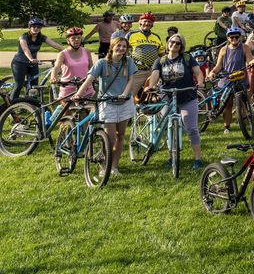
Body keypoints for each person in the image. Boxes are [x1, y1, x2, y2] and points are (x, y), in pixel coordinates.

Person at [75, 35, 140, 177]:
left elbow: (131, 80)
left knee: (120, 135)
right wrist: (79, 94)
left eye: (124, 46)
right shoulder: (102, 63)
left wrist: (124, 94)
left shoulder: (128, 61)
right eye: (119, 46)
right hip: (107, 103)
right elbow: (89, 79)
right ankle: (104, 165)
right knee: (110, 138)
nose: (121, 49)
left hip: (124, 102)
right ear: (112, 47)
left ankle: (114, 166)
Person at [145, 33, 205, 170]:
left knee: (191, 128)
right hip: (167, 97)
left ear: (181, 46)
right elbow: (155, 74)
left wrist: (200, 82)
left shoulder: (187, 58)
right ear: (168, 43)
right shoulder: (160, 60)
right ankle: (171, 156)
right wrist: (152, 86)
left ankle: (198, 158)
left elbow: (198, 72)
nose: (174, 44)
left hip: (187, 96)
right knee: (168, 127)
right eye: (172, 42)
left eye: (178, 43)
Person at [212, 26, 254, 133]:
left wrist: (253, 62)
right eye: (231, 37)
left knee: (243, 102)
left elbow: (249, 59)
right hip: (227, 78)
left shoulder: (244, 47)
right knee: (228, 104)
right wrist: (213, 72)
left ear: (240, 37)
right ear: (228, 38)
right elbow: (219, 65)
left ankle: (244, 123)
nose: (234, 39)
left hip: (240, 78)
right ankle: (227, 127)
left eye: (236, 37)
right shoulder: (224, 50)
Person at [11, 18, 61, 98]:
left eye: (39, 27)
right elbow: (25, 49)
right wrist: (31, 58)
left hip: (33, 63)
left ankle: (32, 103)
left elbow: (55, 45)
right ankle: (11, 103)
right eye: (34, 27)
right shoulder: (23, 37)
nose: (36, 28)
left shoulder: (42, 37)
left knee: (34, 86)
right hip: (20, 63)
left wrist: (67, 51)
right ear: (29, 27)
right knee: (19, 84)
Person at [51, 27, 92, 106]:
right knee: (67, 112)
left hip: (86, 87)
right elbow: (56, 67)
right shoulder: (63, 54)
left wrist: (96, 77)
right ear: (68, 40)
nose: (76, 40)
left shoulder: (86, 51)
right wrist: (53, 77)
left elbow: (91, 67)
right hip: (68, 88)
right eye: (73, 38)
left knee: (88, 112)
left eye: (79, 38)